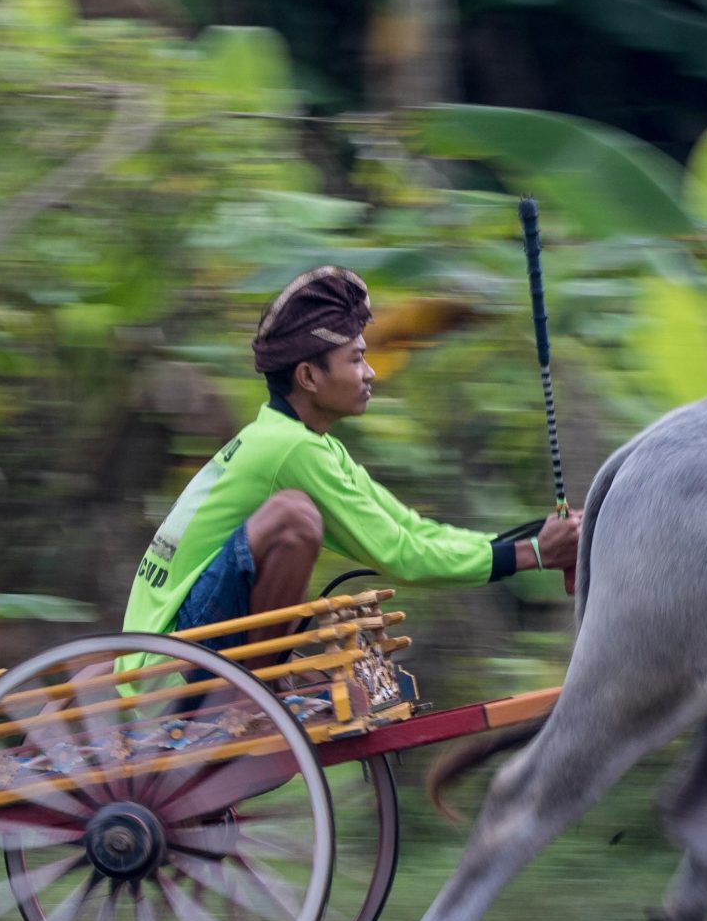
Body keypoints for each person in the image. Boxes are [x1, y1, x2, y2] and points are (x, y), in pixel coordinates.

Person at [122, 266, 576, 647]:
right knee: (295, 517)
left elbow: (409, 529)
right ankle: (248, 695)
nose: (371, 372)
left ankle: (261, 681)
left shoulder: (306, 442)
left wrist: (533, 539)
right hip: (171, 657)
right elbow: (401, 555)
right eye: (356, 360)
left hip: (175, 640)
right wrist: (532, 554)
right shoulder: (291, 449)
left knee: (301, 517)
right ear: (308, 376)